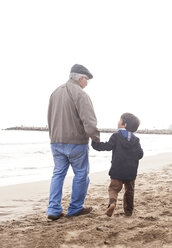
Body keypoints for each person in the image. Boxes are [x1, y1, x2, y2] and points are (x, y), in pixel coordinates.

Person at [46, 64, 100, 221]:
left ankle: (53, 209)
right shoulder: (81, 94)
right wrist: (95, 138)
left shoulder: (55, 93)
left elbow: (49, 118)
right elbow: (89, 121)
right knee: (81, 174)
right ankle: (75, 208)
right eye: (87, 80)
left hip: (56, 141)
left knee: (58, 174)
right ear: (80, 78)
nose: (87, 83)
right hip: (76, 142)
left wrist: (53, 137)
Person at [91, 113, 144, 217]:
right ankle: (128, 213)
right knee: (129, 191)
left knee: (113, 189)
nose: (118, 122)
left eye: (120, 120)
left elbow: (107, 146)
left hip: (117, 170)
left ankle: (112, 203)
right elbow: (140, 154)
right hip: (131, 171)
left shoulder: (117, 135)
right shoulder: (136, 140)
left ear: (124, 124)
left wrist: (95, 143)